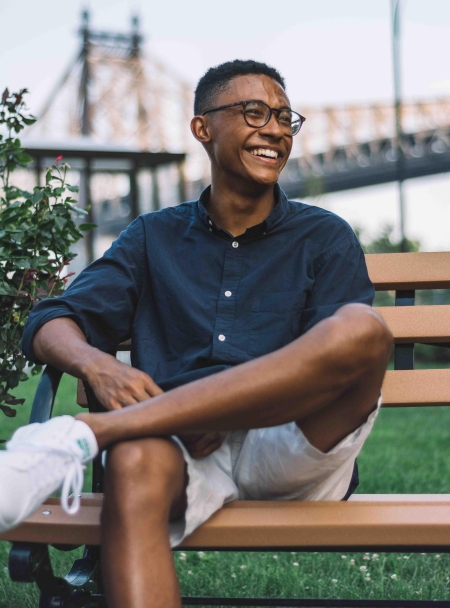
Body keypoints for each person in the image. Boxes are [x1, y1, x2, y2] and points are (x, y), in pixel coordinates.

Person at [0, 60, 392, 608]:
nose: (276, 130)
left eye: (285, 117)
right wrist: (98, 366)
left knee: (363, 329)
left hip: (295, 446)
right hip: (180, 452)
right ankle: (108, 435)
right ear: (202, 128)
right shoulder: (151, 237)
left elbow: (333, 373)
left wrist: (208, 410)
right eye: (254, 112)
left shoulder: (324, 236)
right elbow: (51, 320)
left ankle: (84, 435)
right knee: (134, 459)